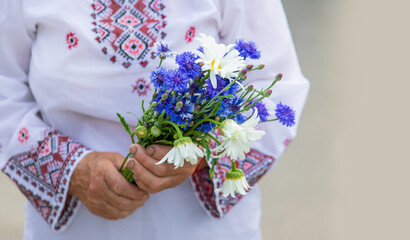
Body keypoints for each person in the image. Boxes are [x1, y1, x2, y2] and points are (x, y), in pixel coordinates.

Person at [0, 0, 310, 239]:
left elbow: (276, 85)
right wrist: (73, 170)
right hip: (76, 227)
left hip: (201, 228)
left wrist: (201, 155)